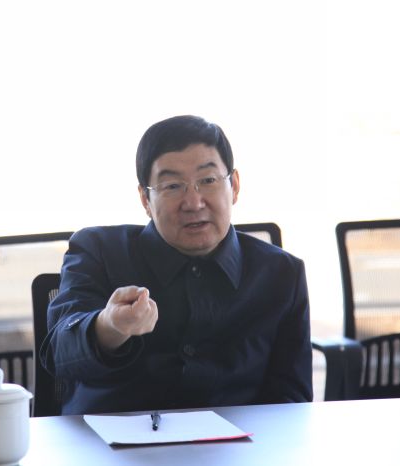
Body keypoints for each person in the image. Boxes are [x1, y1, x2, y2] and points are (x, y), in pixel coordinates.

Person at [41, 115, 312, 415]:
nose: (193, 203)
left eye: (208, 180)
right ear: (145, 199)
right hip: (110, 440)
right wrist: (110, 327)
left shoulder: (282, 275)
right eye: (172, 186)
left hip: (238, 441)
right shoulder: (99, 251)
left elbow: (292, 403)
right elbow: (58, 352)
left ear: (234, 186)